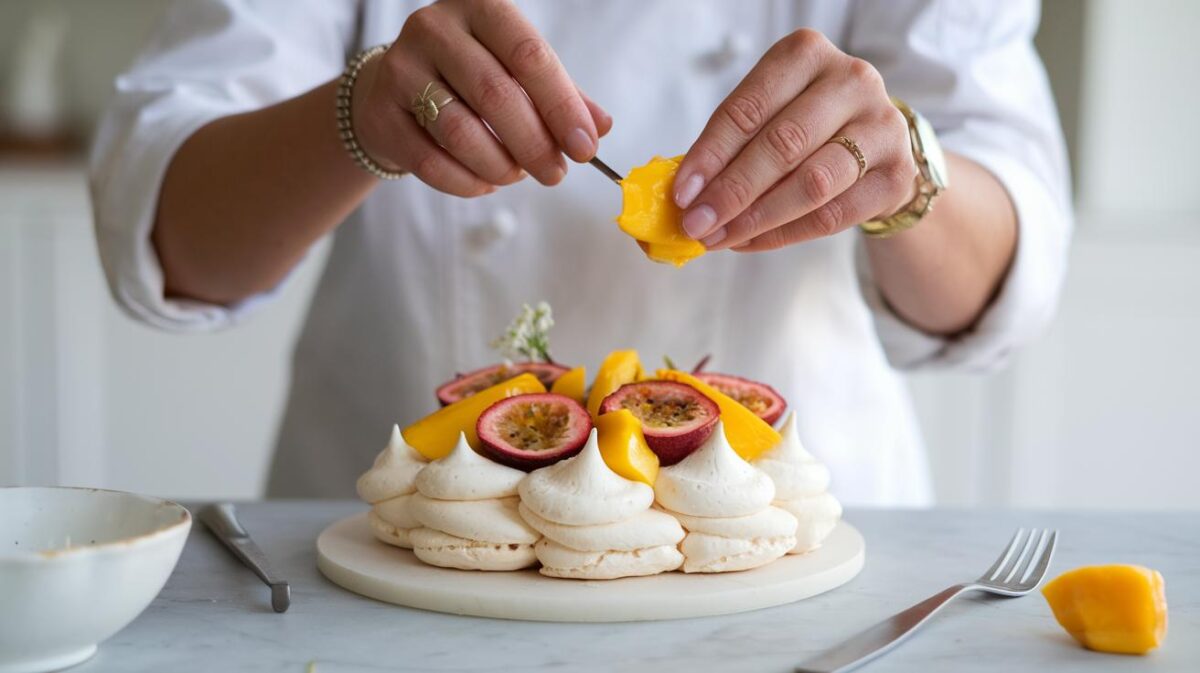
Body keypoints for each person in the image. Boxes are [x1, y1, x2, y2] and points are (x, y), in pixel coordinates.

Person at [90, 0, 1071, 504]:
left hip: (789, 558)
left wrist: (902, 174)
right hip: (401, 552)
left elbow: (1001, 275)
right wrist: (360, 115)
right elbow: (173, 237)